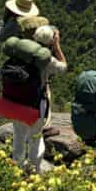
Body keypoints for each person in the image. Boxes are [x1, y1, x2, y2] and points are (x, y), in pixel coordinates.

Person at [10, 24, 67, 173]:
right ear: (50, 42)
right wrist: (57, 46)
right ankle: (33, 170)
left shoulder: (21, 52)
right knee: (36, 137)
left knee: (19, 135)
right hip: (35, 104)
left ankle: (17, 167)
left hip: (16, 101)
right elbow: (64, 67)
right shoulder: (47, 60)